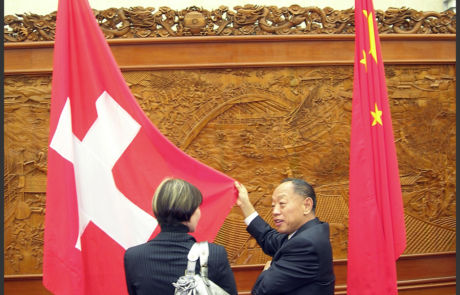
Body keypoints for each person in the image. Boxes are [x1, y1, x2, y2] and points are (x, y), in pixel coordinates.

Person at [124, 178, 237, 295]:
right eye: (197, 207)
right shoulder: (215, 254)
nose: (199, 212)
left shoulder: (133, 257)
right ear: (188, 210)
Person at [235, 178, 335, 295]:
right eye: (273, 205)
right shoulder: (307, 232)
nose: (275, 211)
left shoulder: (306, 244)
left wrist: (267, 270)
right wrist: (245, 205)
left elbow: (262, 290)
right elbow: (269, 238)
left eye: (282, 204)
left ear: (306, 205)